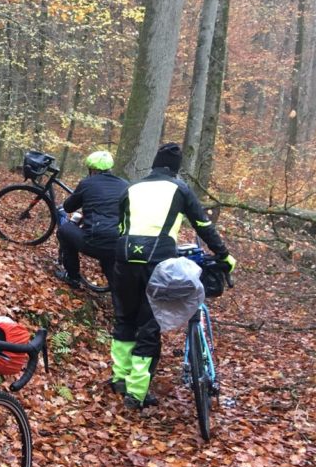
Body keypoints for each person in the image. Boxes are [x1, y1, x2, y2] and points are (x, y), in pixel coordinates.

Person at [110, 142, 236, 410]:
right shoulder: (179, 189)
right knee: (149, 324)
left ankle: (119, 378)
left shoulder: (131, 188)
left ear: (154, 164)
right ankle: (136, 392)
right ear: (176, 169)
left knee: (124, 318)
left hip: (124, 257)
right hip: (158, 261)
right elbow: (203, 225)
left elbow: (121, 226)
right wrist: (223, 255)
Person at [54, 150, 128, 288]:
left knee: (64, 231)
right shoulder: (125, 185)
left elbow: (68, 207)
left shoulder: (87, 183)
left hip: (95, 240)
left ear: (92, 170)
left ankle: (72, 277)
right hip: (121, 243)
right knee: (110, 262)